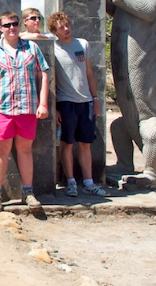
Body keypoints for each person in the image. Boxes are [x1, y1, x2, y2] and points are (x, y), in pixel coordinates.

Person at [0, 12, 50, 213]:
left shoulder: (32, 48)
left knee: (25, 150)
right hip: (2, 108)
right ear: (0, 28)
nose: (11, 28)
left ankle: (28, 192)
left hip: (27, 107)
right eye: (7, 25)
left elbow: (44, 73)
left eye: (14, 24)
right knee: (1, 151)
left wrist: (43, 103)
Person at [47, 11, 107, 197]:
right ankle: (71, 182)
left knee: (85, 144)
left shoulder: (82, 44)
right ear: (55, 31)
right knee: (67, 143)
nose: (67, 29)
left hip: (86, 101)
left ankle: (88, 182)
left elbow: (89, 73)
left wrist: (95, 99)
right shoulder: (53, 48)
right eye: (62, 27)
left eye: (68, 25)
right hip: (66, 102)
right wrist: (55, 108)